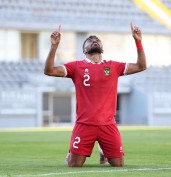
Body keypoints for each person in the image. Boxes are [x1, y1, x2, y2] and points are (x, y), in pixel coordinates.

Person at [44, 23, 147, 167]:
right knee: (74, 165)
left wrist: (138, 42)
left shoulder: (113, 66)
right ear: (84, 50)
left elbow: (141, 66)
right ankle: (71, 153)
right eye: (90, 41)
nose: (94, 41)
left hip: (108, 124)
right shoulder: (76, 66)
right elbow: (49, 70)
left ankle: (103, 151)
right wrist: (54, 47)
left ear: (102, 49)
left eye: (97, 40)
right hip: (84, 124)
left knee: (118, 164)